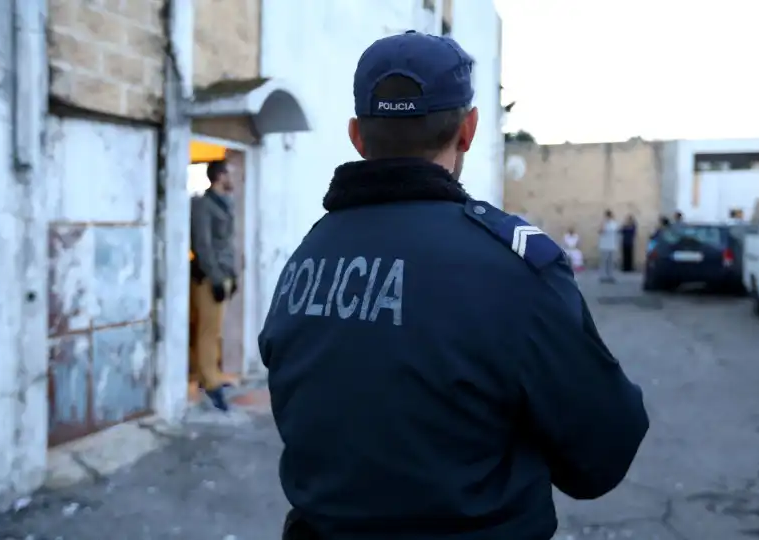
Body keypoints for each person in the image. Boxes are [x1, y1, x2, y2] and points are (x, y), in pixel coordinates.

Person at [259, 30, 649, 540]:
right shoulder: (512, 267)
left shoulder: (308, 255)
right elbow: (603, 452)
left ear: (357, 135)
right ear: (468, 129)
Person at [189, 160, 238, 412]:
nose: (234, 177)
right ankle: (210, 383)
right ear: (220, 176)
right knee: (207, 332)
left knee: (215, 330)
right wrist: (218, 279)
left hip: (224, 274)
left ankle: (211, 376)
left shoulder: (226, 202)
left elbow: (227, 243)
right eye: (230, 172)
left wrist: (234, 275)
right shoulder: (202, 205)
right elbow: (203, 246)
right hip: (210, 277)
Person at [598, 210, 619, 283]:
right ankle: (603, 276)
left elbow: (616, 232)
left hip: (612, 245)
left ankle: (611, 276)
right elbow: (600, 231)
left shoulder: (614, 224)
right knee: (604, 262)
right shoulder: (604, 224)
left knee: (611, 262)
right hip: (604, 245)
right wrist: (603, 223)